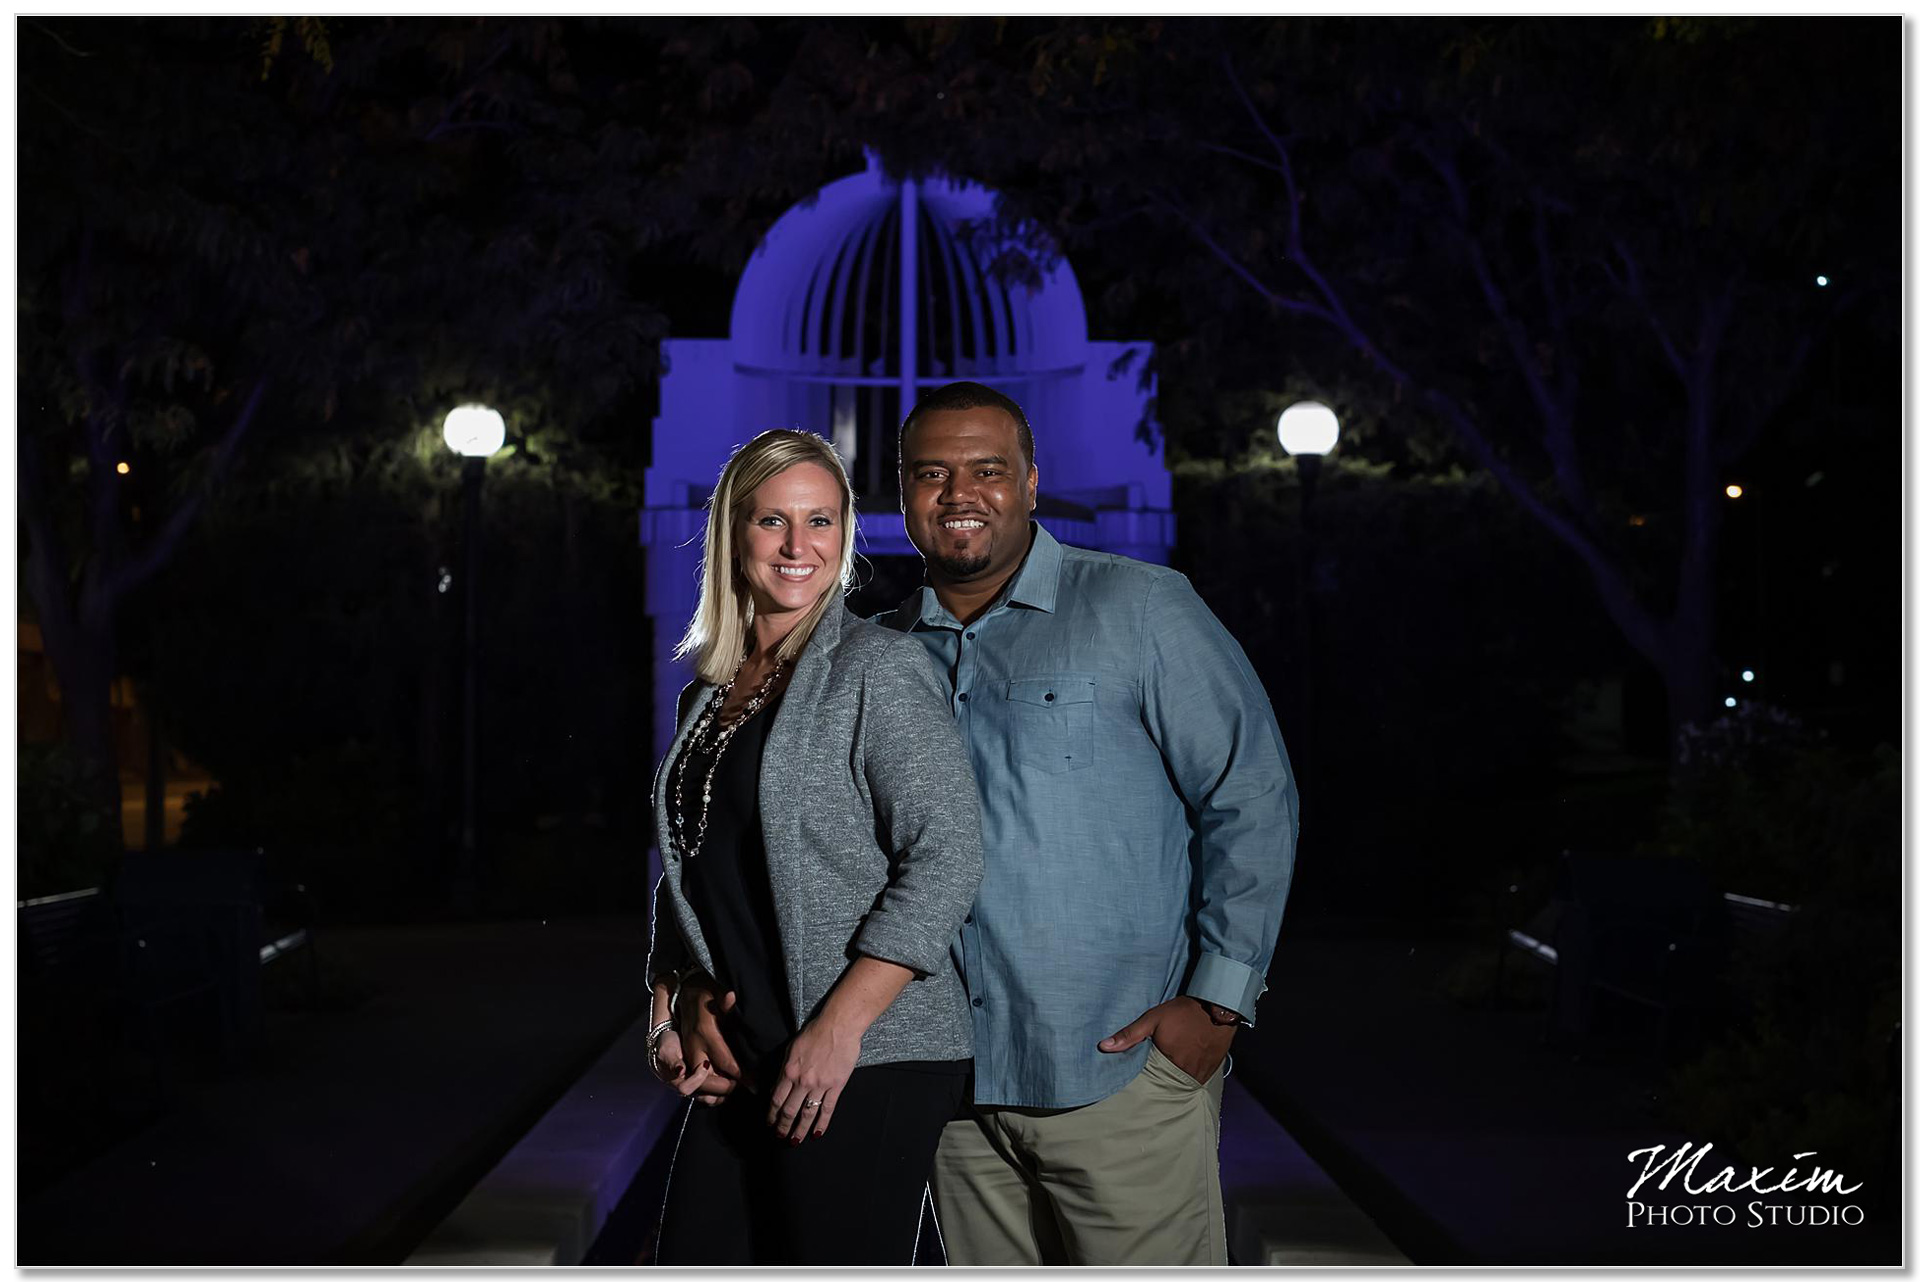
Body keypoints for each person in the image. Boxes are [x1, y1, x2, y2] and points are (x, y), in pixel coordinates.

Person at [874, 381, 1299, 1266]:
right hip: (950, 1092)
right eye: (932, 473)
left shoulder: (1141, 608)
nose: (960, 494)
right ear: (903, 493)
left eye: (988, 469)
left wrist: (1218, 1001)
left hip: (1118, 1075)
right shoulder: (879, 653)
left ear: (1031, 482)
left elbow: (1250, 793)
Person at [645, 429, 983, 1265]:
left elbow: (947, 855)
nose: (799, 547)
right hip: (747, 1047)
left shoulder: (878, 668)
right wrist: (674, 1000)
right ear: (734, 534)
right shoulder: (709, 694)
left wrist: (839, 1029)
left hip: (864, 1054)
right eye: (772, 522)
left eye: (822, 521)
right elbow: (691, 866)